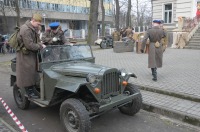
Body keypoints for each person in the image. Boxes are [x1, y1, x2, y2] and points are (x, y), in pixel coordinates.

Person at [16, 13, 46, 98]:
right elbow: (29, 45)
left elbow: (35, 40)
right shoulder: (26, 29)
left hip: (30, 54)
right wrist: (40, 46)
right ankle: (29, 91)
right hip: (25, 55)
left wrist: (40, 43)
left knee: (32, 71)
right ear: (33, 20)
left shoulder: (32, 28)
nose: (38, 25)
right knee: (27, 72)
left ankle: (32, 88)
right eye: (38, 23)